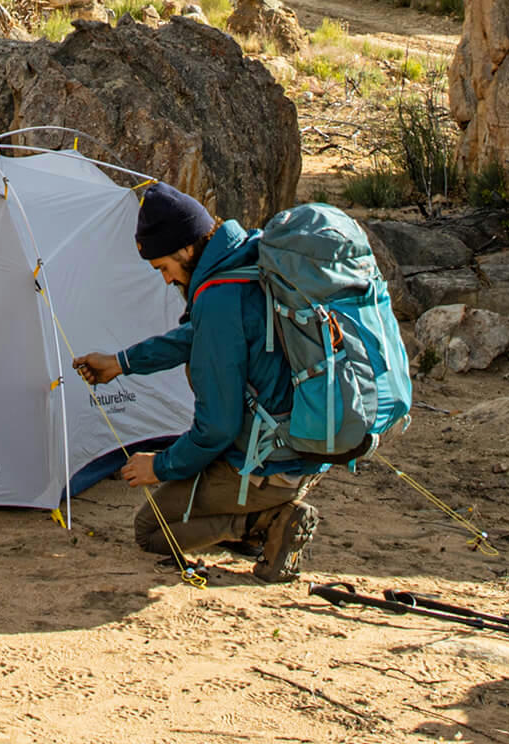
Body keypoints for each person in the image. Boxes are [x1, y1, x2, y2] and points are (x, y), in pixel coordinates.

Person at [73, 182, 324, 583]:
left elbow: (217, 427)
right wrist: (120, 363)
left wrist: (160, 465)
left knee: (151, 530)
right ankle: (258, 513)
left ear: (186, 249)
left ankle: (265, 520)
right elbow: (196, 338)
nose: (166, 280)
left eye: (164, 268)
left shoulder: (218, 297)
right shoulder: (244, 261)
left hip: (267, 465)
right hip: (301, 449)